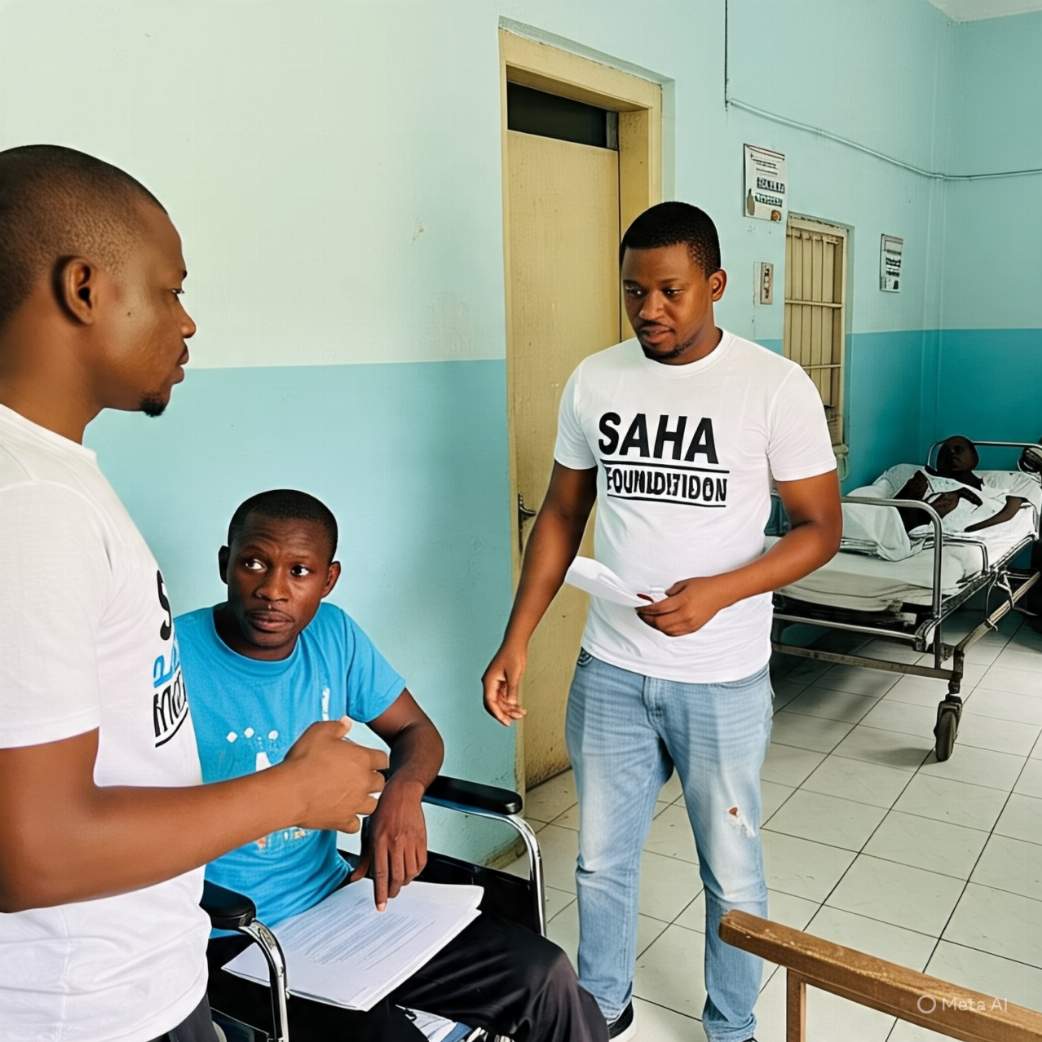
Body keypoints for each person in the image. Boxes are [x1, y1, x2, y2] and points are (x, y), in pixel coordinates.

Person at [0, 145, 388, 1042]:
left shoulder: (50, 478)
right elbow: (34, 851)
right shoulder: (32, 503)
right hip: (85, 1007)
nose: (187, 321)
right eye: (170, 290)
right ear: (84, 288)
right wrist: (294, 793)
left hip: (130, 976)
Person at [481, 202, 842, 1042]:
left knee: (733, 870)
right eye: (634, 291)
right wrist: (517, 638)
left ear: (715, 285)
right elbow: (562, 514)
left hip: (721, 677)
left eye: (670, 290)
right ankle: (602, 1005)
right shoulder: (596, 380)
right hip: (611, 667)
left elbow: (820, 529)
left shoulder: (773, 386)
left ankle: (732, 1026)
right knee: (600, 860)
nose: (649, 310)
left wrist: (723, 590)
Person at [182, 488, 609, 1042]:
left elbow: (415, 731)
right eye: (254, 563)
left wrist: (401, 795)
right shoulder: (172, 658)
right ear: (226, 564)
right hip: (233, 934)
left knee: (545, 976)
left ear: (329, 580)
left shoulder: (333, 635)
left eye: (300, 571)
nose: (273, 589)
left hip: (336, 901)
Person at [893, 434, 1028, 534]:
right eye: (945, 452)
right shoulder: (923, 481)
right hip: (919, 529)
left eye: (958, 449)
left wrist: (972, 527)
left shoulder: (996, 490)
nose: (952, 454)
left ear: (974, 458)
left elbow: (1010, 506)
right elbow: (894, 519)